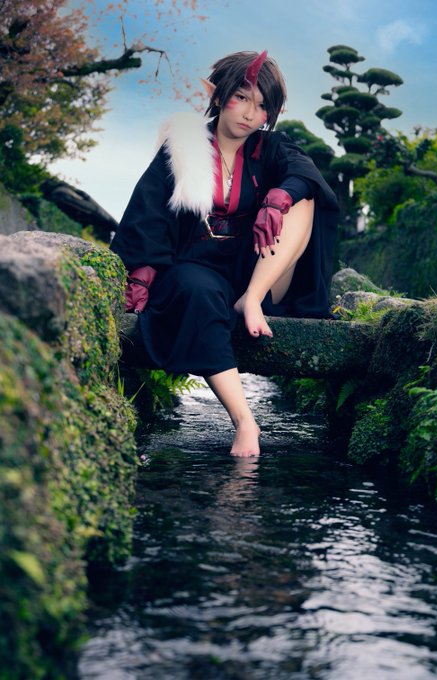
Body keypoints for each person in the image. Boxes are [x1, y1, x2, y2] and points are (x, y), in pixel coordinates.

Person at [110, 50, 339, 458]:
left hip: (258, 272)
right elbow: (149, 216)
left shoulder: (272, 148)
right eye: (242, 98)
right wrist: (141, 276)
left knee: (303, 197)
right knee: (195, 292)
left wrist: (278, 199)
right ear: (217, 95)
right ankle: (245, 422)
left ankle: (250, 301)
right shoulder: (182, 148)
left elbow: (305, 175)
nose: (251, 114)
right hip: (198, 268)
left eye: (262, 105)